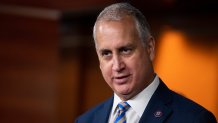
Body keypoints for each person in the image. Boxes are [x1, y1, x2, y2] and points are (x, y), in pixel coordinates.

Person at [75, 2, 217, 123]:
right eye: (106, 53)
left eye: (125, 50)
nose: (117, 66)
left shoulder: (195, 119)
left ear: (149, 48)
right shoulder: (85, 120)